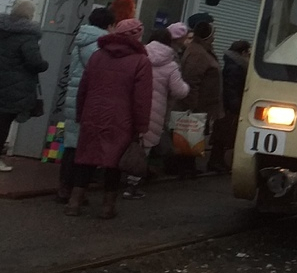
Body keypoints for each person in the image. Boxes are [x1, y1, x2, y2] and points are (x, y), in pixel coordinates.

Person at [68, 18, 151, 218]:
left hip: (93, 113)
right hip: (122, 118)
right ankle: (107, 207)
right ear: (137, 36)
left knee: (85, 158)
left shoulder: (97, 56)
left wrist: (80, 113)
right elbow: (142, 98)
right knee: (115, 162)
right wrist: (141, 126)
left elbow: (83, 88)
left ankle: (74, 202)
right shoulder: (141, 61)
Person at [0, 0, 49, 172]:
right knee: (4, 121)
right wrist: (44, 65)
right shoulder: (27, 35)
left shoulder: (0, 32)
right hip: (18, 84)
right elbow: (34, 61)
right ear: (29, 14)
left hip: (0, 80)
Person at [124, 29, 191, 199]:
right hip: (154, 110)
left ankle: (114, 178)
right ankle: (132, 185)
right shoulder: (170, 65)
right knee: (143, 147)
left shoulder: (138, 56)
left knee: (127, 142)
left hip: (131, 106)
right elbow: (180, 91)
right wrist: (187, 86)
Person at [57, 7, 115, 200]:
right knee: (80, 146)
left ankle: (66, 188)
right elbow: (100, 72)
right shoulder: (97, 44)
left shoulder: (84, 38)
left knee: (72, 144)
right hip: (86, 98)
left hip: (75, 95)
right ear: (109, 25)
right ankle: (72, 189)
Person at [179, 16, 223, 173]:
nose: (215, 37)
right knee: (190, 134)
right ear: (207, 35)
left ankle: (188, 166)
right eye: (213, 33)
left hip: (202, 104)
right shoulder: (198, 53)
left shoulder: (201, 50)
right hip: (197, 105)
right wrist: (191, 105)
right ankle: (186, 168)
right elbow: (192, 80)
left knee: (193, 135)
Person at [212, 40, 251, 173]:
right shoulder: (237, 67)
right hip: (229, 107)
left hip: (227, 105)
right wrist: (236, 106)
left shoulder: (233, 64)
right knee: (224, 135)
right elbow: (232, 88)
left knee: (222, 134)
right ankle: (217, 162)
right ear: (243, 52)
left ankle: (218, 161)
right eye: (248, 52)